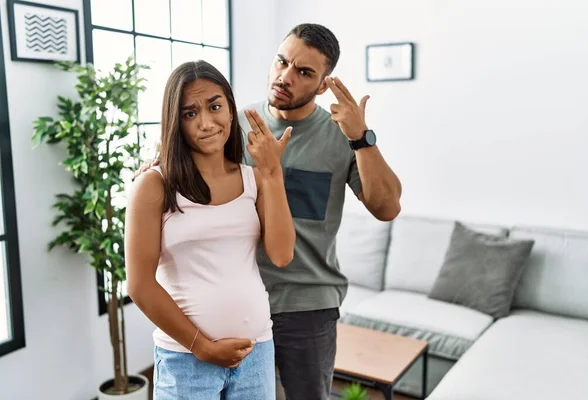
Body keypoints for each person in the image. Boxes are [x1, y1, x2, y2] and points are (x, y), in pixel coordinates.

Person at [137, 23, 402, 400]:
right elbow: (187, 173)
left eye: (304, 72)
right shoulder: (230, 125)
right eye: (282, 61)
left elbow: (387, 207)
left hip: (306, 304)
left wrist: (361, 138)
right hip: (237, 303)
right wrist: (158, 162)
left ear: (324, 84)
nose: (285, 76)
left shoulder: (339, 136)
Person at [125, 60, 296, 400]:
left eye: (215, 106)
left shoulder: (255, 179)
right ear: (175, 122)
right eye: (189, 114)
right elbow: (139, 285)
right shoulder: (154, 185)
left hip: (256, 351)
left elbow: (281, 254)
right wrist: (201, 346)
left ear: (231, 110)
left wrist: (273, 173)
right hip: (186, 359)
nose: (206, 123)